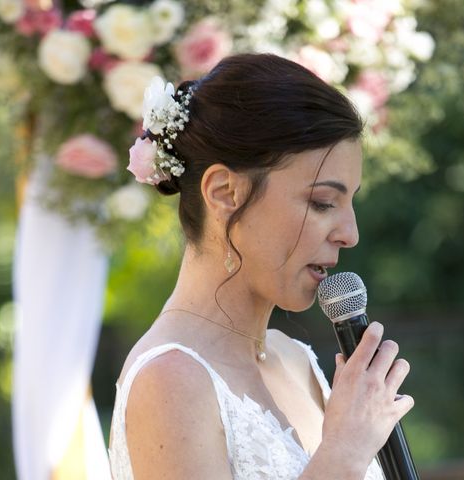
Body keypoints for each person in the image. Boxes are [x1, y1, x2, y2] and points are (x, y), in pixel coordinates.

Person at [109, 53, 414, 480]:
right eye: (323, 202)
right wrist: (344, 452)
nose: (350, 233)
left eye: (350, 202)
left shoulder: (297, 359)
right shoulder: (170, 379)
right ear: (224, 192)